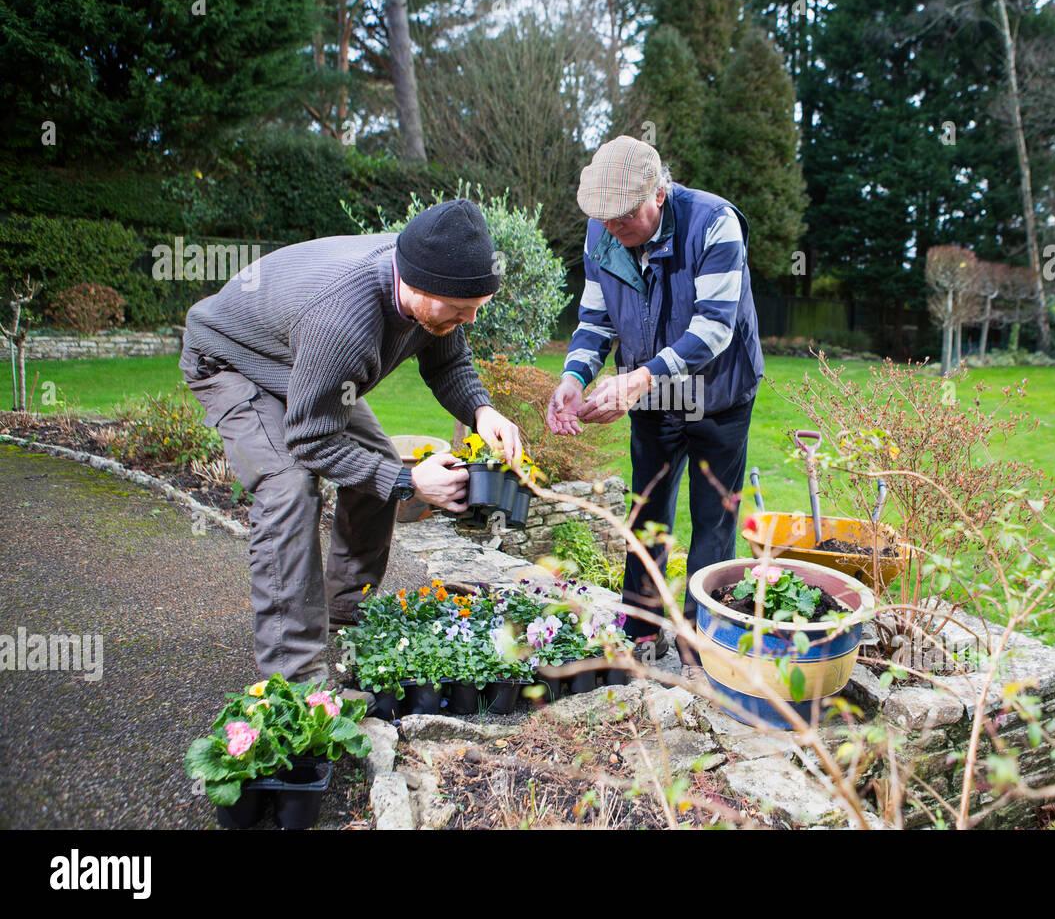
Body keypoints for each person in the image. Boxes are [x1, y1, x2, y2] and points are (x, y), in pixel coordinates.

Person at [180, 199, 521, 684]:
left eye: (476, 310)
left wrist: (481, 410)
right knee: (289, 487)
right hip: (232, 360)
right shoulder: (345, 322)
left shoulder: (435, 288)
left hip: (302, 361)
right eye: (460, 310)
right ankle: (297, 681)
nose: (467, 320)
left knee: (374, 464)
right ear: (416, 283)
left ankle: (345, 608)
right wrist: (408, 481)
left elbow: (447, 363)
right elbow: (309, 442)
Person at [546, 136, 763, 675]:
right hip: (653, 394)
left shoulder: (713, 224)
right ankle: (641, 631)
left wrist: (639, 378)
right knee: (647, 512)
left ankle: (700, 648)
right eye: (605, 218)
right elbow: (596, 320)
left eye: (624, 215)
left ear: (659, 193)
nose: (613, 226)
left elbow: (714, 328)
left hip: (718, 394)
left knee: (713, 520)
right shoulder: (603, 230)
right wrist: (576, 375)